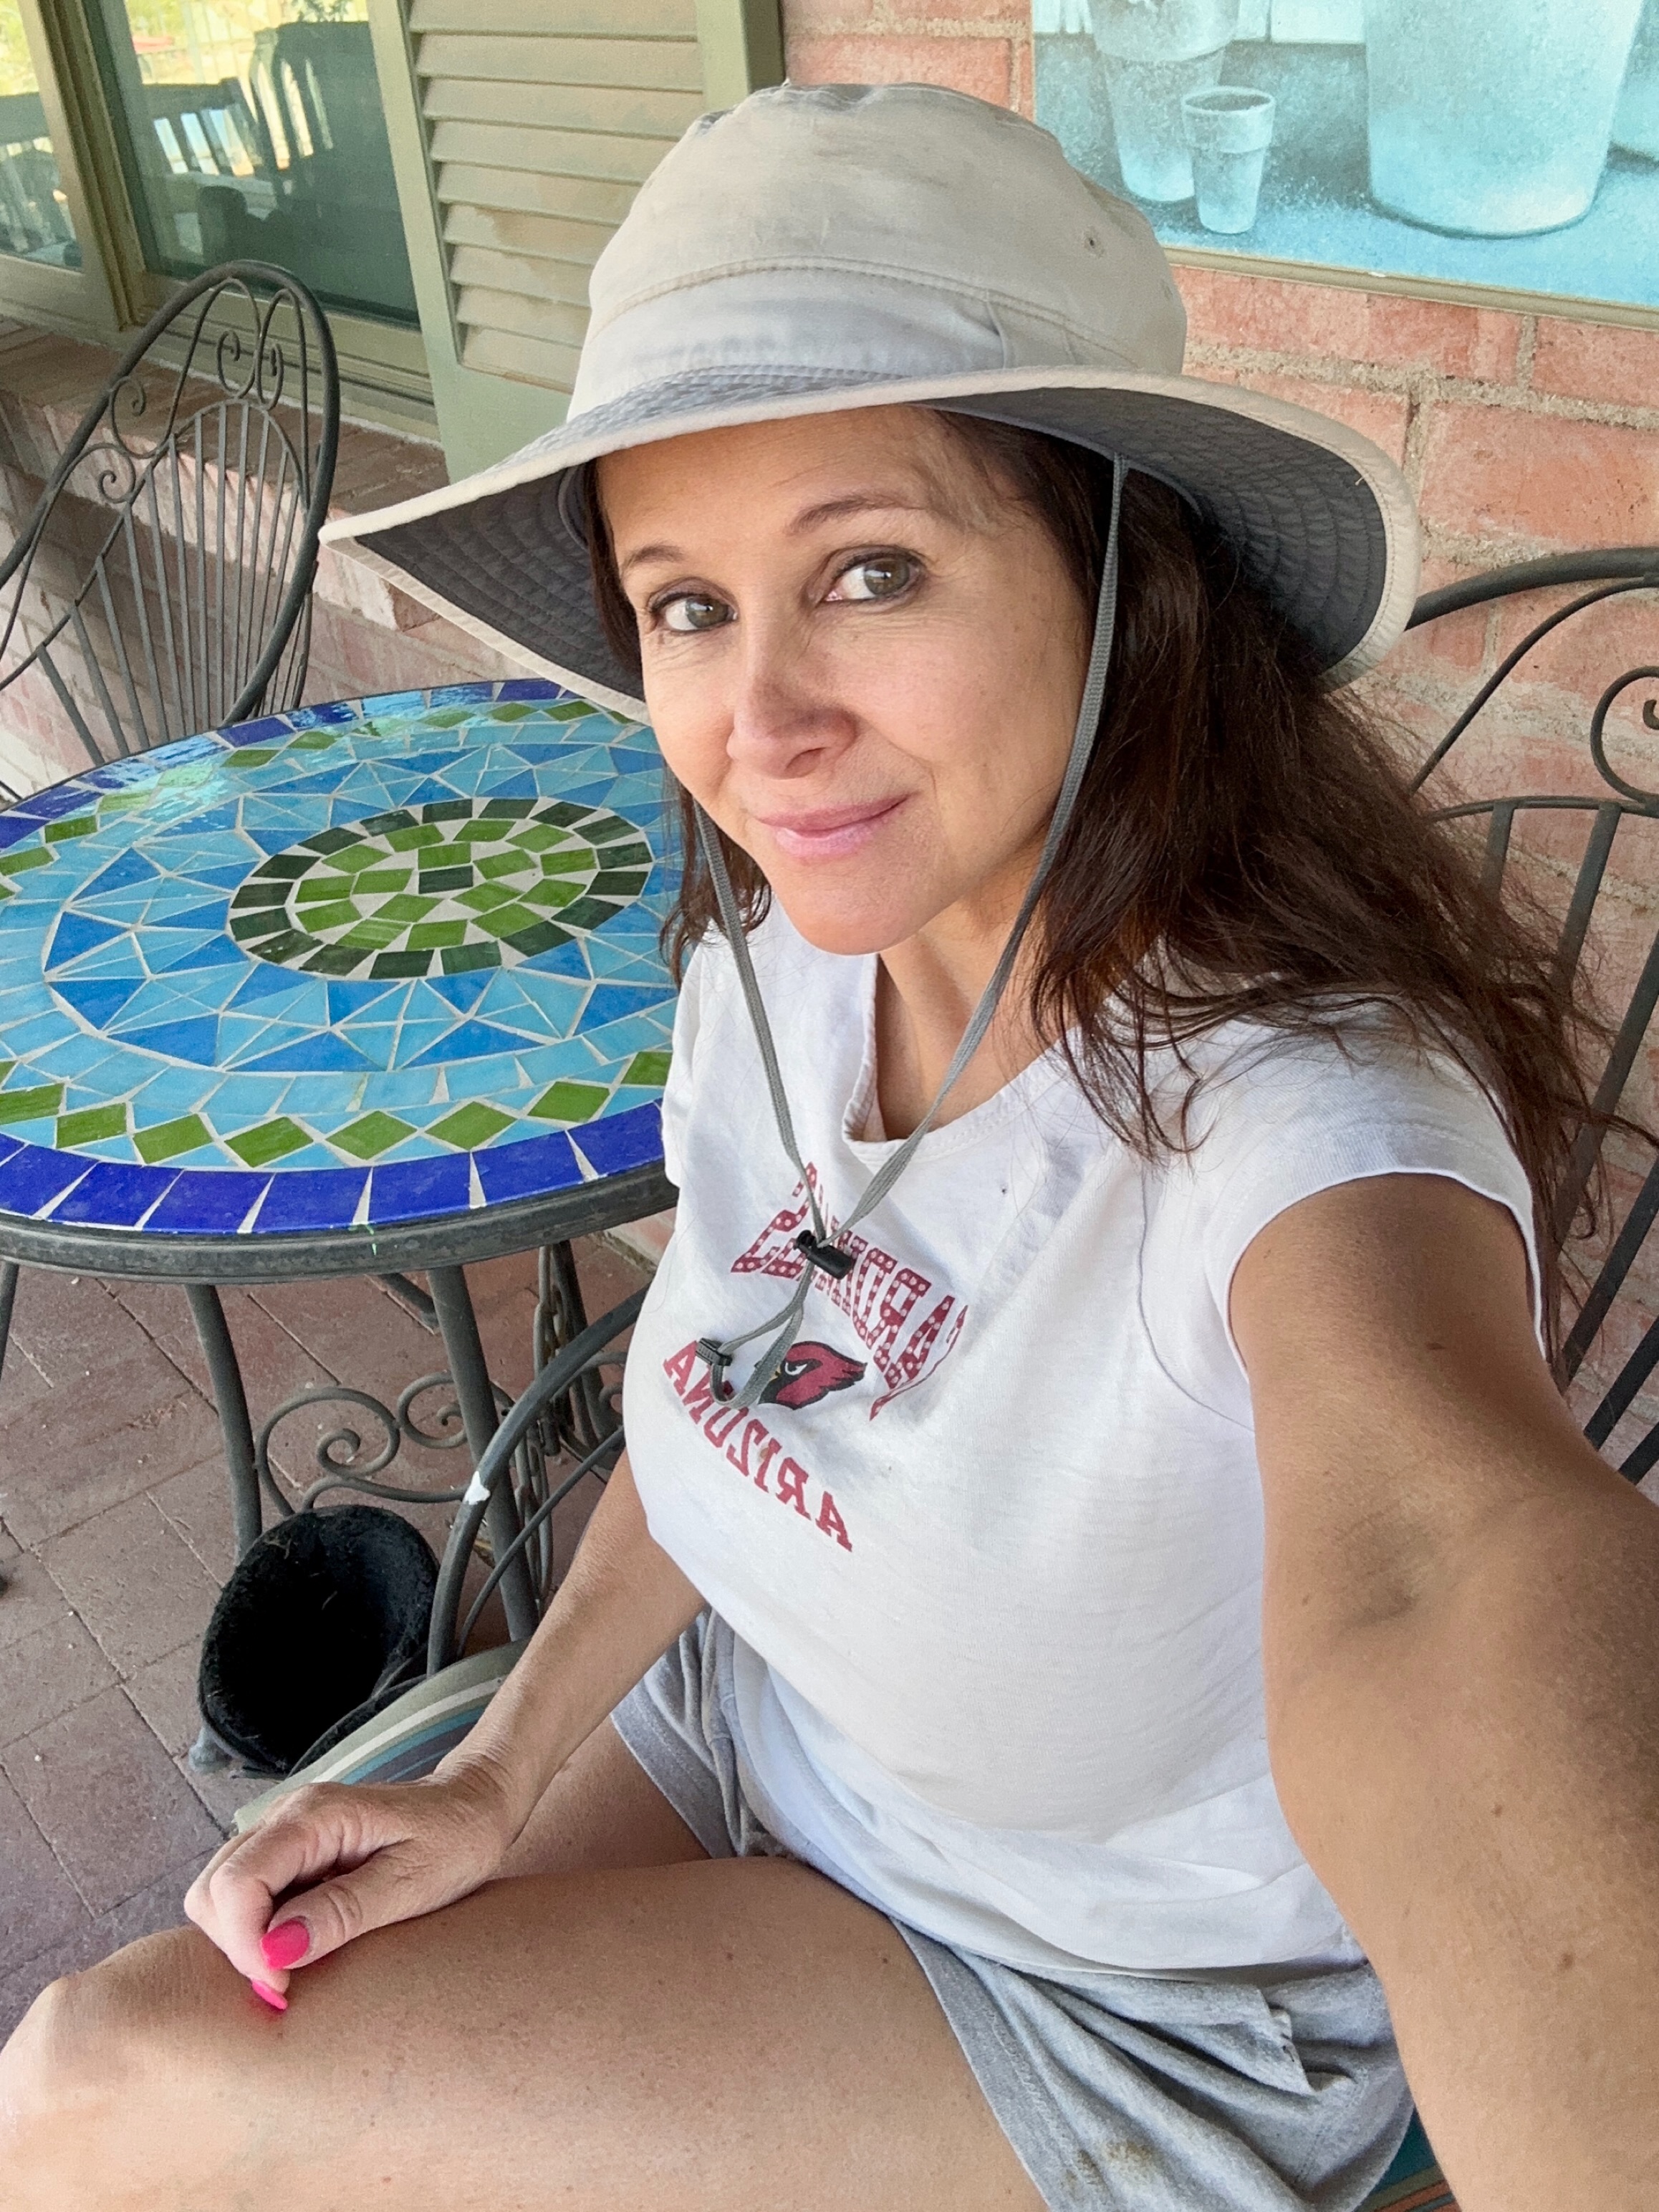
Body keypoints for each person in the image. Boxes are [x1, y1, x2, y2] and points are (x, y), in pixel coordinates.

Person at [3, 80, 1656, 2212]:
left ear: (1127, 580)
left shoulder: (1301, 1118)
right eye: (687, 604)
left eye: (868, 572)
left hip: (1104, 2001)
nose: (761, 726)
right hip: (751, 1730)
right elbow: (722, 1380)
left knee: (109, 2083)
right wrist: (504, 1765)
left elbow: (1440, 1579)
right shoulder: (779, 964)